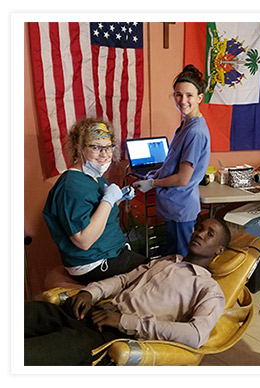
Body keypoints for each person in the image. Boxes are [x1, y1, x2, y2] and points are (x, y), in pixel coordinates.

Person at [25, 218, 231, 366]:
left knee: (26, 355)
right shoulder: (167, 260)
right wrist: (90, 293)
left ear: (219, 250)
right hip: (89, 313)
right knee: (29, 313)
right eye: (200, 228)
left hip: (111, 336)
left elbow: (196, 335)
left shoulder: (208, 289)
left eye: (209, 234)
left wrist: (123, 321)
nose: (199, 233)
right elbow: (123, 279)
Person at [43, 118, 149, 284]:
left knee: (162, 268)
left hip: (111, 252)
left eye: (108, 147)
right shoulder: (71, 186)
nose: (105, 154)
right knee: (157, 273)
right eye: (95, 147)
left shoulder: (96, 178)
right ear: (79, 147)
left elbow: (99, 214)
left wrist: (118, 198)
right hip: (93, 263)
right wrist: (108, 200)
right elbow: (84, 241)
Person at [134, 65, 211, 256]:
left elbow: (183, 179)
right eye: (178, 95)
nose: (183, 101)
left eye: (189, 95)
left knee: (182, 259)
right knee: (172, 254)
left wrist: (152, 183)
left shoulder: (195, 132)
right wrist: (158, 173)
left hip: (182, 208)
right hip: (173, 205)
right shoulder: (186, 123)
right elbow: (173, 160)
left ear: (200, 98)